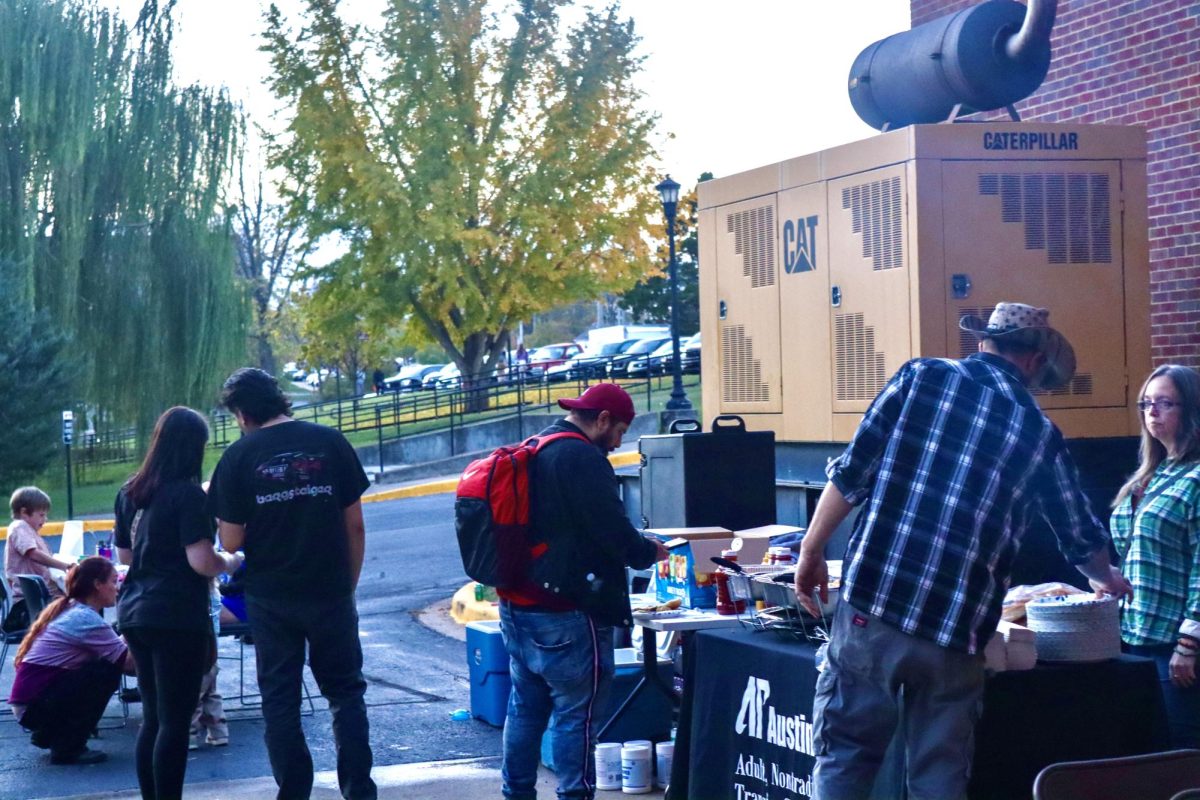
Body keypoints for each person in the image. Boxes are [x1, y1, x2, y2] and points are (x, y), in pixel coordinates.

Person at [793, 302, 1132, 800]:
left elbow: (851, 473)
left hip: (876, 606)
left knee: (846, 756)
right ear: (1036, 361)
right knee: (938, 777)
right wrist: (1105, 579)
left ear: (982, 343)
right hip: (957, 632)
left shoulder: (920, 377)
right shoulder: (1039, 433)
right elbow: (1077, 532)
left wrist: (811, 551)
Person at [208, 367, 376, 800]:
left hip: (270, 596)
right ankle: (358, 789)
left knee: (280, 699)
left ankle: (295, 790)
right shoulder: (330, 441)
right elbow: (354, 526)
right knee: (346, 694)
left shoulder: (237, 458)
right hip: (330, 590)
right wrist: (348, 585)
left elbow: (231, 541)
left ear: (243, 413)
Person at [497, 382, 668, 800]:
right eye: (621, 430)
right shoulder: (581, 458)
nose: (619, 441)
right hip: (567, 614)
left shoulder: (537, 446)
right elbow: (613, 532)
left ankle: (515, 793)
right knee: (578, 717)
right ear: (603, 419)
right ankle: (576, 795)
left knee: (525, 709)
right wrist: (649, 551)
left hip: (518, 607)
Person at [114, 407, 244, 800]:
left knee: (153, 718)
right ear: (193, 448)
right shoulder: (188, 496)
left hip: (135, 611)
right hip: (177, 615)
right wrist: (232, 560)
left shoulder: (130, 491)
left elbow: (124, 555)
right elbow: (202, 561)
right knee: (175, 719)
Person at [1109, 364, 1200, 748]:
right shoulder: (1152, 474)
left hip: (1175, 646)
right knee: (1142, 753)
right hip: (1131, 637)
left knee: (1181, 755)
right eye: (1147, 403)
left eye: (1165, 403)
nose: (1152, 412)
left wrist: (1189, 645)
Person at [8, 557, 135, 765]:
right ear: (97, 585)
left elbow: (117, 648)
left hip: (30, 703)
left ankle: (53, 733)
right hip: (34, 707)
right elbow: (127, 663)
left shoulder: (73, 609)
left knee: (104, 665)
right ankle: (68, 747)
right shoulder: (85, 619)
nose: (117, 588)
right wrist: (135, 625)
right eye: (113, 581)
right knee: (106, 671)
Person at [5, 487, 74, 624]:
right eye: (42, 515)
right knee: (85, 605)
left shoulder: (29, 531)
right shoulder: (19, 527)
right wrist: (65, 566)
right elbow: (33, 553)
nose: (45, 519)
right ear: (24, 513)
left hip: (39, 599)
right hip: (31, 604)